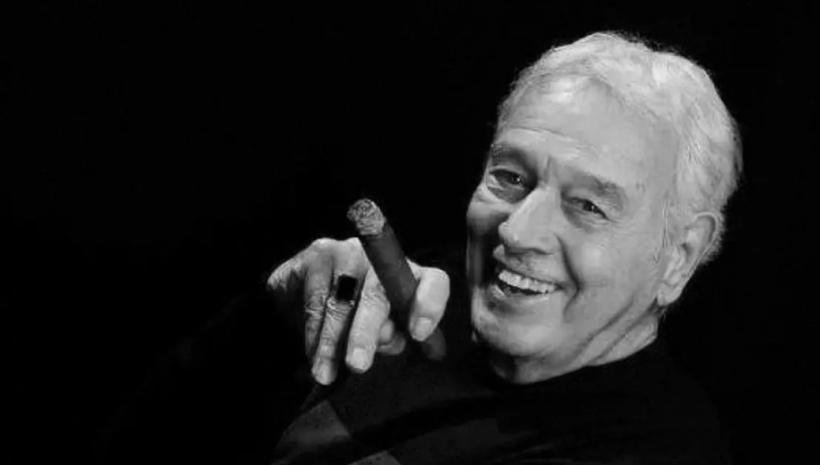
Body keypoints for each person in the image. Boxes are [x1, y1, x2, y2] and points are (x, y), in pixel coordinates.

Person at [264, 31, 742, 464]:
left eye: (588, 206)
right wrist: (281, 317)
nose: (517, 233)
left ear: (679, 257)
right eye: (510, 177)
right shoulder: (415, 291)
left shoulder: (657, 449)